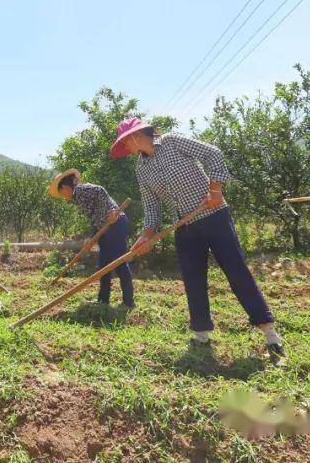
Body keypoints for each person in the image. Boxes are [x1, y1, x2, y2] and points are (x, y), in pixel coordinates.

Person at [111, 117, 285, 361]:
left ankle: (269, 333)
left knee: (236, 271)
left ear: (135, 137)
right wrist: (145, 237)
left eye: (125, 142)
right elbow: (152, 206)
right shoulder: (141, 169)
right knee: (193, 280)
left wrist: (215, 190)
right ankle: (201, 334)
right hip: (185, 225)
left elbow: (213, 153)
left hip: (214, 215)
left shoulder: (171, 142)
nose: (126, 148)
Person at [48, 169, 135, 308]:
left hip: (116, 223)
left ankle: (129, 302)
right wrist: (92, 238)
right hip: (104, 228)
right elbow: (94, 216)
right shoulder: (76, 198)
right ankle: (103, 300)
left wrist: (110, 211)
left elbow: (100, 191)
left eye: (61, 193)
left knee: (119, 262)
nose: (63, 196)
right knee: (103, 264)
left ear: (65, 188)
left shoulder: (83, 190)